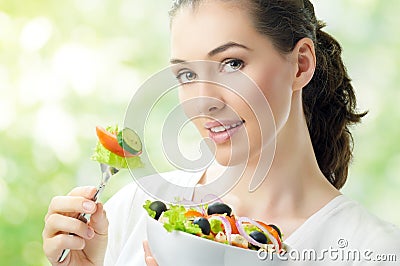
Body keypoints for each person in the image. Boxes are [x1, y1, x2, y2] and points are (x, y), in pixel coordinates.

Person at [42, 0, 400, 265]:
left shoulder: (375, 250)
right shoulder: (134, 211)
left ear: (301, 64)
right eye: (186, 75)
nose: (202, 102)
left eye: (232, 64)